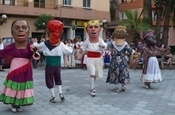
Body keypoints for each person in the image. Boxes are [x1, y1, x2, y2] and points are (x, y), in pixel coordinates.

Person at [0, 20, 39, 112]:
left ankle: (19, 103)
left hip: (27, 69)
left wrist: (35, 51)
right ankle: (13, 103)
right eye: (17, 28)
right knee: (14, 85)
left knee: (23, 86)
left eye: (24, 28)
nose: (21, 30)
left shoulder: (30, 46)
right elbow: (2, 53)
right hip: (15, 68)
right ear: (12, 32)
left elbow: (35, 57)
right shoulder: (11, 47)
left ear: (28, 31)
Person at [30, 20, 73, 102]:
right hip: (58, 64)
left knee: (49, 79)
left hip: (49, 64)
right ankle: (60, 93)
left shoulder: (45, 44)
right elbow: (70, 51)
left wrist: (34, 44)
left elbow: (36, 47)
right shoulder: (61, 44)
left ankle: (53, 96)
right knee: (58, 78)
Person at [81, 20, 107, 97]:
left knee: (95, 74)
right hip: (90, 59)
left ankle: (92, 85)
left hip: (98, 59)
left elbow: (105, 45)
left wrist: (102, 46)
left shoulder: (100, 40)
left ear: (99, 30)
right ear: (87, 30)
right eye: (90, 27)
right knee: (92, 73)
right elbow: (83, 47)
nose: (93, 29)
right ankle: (92, 88)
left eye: (96, 27)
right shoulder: (87, 40)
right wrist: (81, 51)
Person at [106, 25, 133, 92]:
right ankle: (123, 86)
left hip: (114, 60)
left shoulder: (112, 43)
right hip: (122, 60)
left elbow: (108, 48)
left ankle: (117, 86)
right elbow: (130, 51)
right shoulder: (125, 43)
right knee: (123, 72)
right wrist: (126, 55)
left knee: (115, 72)